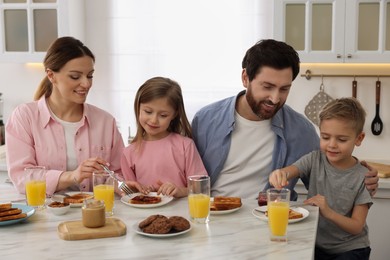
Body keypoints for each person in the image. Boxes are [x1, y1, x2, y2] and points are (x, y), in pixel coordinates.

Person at [191, 39, 379, 200]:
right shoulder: (206, 120)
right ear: (245, 78)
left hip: (270, 222)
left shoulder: (301, 130)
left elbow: (327, 177)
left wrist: (361, 177)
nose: (275, 98)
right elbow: (182, 175)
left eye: (284, 89)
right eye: (267, 86)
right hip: (213, 218)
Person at [5, 36, 146, 195]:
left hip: (97, 212)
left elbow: (117, 173)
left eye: (90, 75)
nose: (86, 84)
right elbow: (22, 177)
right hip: (46, 215)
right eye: (75, 76)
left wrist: (120, 185)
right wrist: (71, 176)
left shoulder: (105, 122)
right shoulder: (25, 117)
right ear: (51, 75)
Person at [269, 97, 372, 259]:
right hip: (316, 244)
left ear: (359, 139)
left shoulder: (363, 176)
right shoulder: (314, 159)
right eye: (325, 137)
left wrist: (328, 212)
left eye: (341, 139)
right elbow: (291, 171)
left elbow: (357, 226)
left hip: (351, 249)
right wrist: (280, 174)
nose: (332, 144)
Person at [121, 77, 207, 198]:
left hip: (181, 214)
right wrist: (140, 191)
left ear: (174, 114)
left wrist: (180, 191)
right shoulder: (128, 152)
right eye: (148, 111)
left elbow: (201, 188)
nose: (154, 120)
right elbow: (129, 193)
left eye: (163, 115)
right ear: (138, 107)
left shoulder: (185, 145)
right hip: (144, 215)